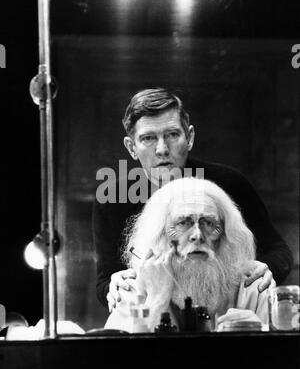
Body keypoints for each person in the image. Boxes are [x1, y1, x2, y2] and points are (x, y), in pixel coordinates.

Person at [92, 88, 293, 312]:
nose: (162, 149)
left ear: (189, 137)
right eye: (148, 138)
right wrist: (114, 285)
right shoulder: (113, 198)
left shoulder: (229, 183)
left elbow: (279, 251)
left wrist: (268, 269)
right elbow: (105, 281)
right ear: (131, 147)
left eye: (172, 135)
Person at [105, 177, 276, 332]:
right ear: (160, 234)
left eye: (209, 223)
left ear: (225, 233)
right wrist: (156, 301)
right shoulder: (133, 289)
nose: (197, 235)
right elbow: (119, 362)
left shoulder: (254, 287)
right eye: (182, 223)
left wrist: (259, 333)